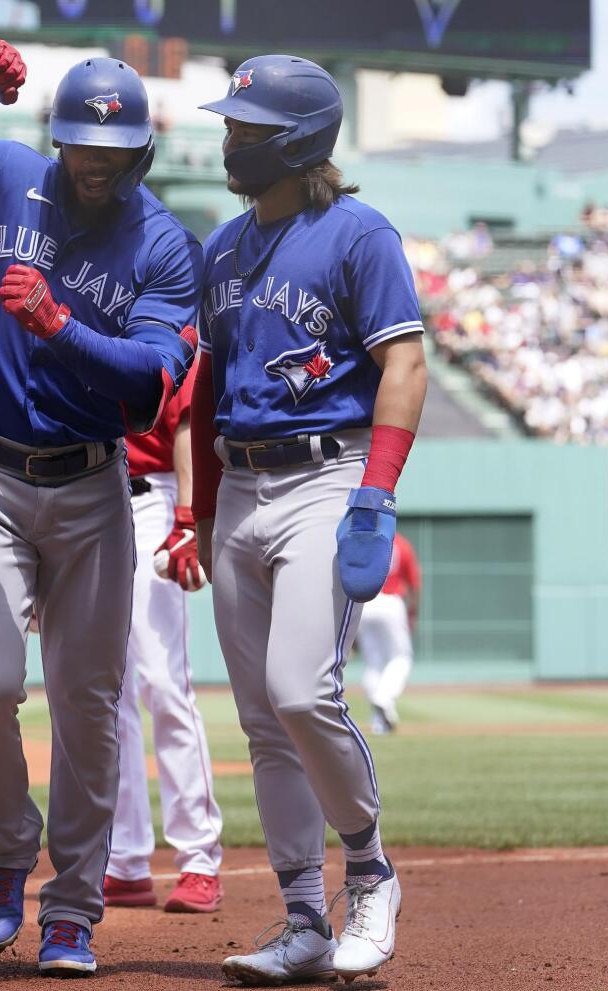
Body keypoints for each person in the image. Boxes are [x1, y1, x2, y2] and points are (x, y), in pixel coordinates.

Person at [0, 40, 202, 975]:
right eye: (79, 145)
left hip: (94, 485)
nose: (94, 162)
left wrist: (62, 326)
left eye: (113, 149)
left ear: (142, 151)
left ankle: (71, 907)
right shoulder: (0, 175)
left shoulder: (163, 243)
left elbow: (150, 384)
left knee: (90, 703)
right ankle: (9, 846)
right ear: (55, 140)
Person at [190, 56, 427, 984]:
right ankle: (301, 919)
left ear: (294, 143)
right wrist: (198, 514)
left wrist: (376, 492)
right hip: (238, 488)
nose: (228, 141)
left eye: (244, 130)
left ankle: (370, 872)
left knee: (301, 690)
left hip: (326, 478)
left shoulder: (359, 234)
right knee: (260, 722)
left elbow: (404, 366)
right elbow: (207, 390)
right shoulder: (221, 248)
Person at [105, 358, 225, 914]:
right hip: (88, 495)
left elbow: (184, 421)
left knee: (162, 681)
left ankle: (199, 858)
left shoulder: (162, 305)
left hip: (153, 498)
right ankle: (126, 862)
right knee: (110, 693)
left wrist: (186, 518)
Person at [357, 532, 420, 734]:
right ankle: (383, 699)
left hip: (364, 602)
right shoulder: (401, 543)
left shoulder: (364, 541)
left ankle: (380, 723)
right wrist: (412, 613)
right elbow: (415, 584)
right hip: (391, 601)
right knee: (401, 658)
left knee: (373, 662)